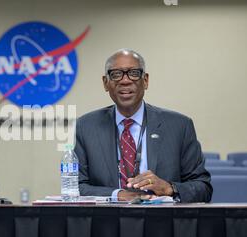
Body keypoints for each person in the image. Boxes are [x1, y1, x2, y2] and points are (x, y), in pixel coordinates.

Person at [74, 49, 212, 203]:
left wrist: (169, 188)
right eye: (116, 74)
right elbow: (75, 187)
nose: (125, 81)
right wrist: (117, 194)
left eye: (133, 73)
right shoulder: (87, 126)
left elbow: (203, 188)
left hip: (162, 221)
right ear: (106, 83)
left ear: (145, 80)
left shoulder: (179, 126)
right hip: (108, 221)